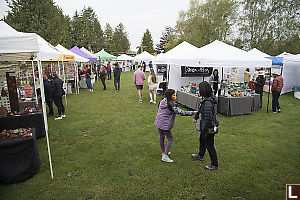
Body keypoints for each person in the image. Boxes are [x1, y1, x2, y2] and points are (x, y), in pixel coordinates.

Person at [155, 89, 197, 163]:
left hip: (158, 122)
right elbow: (182, 112)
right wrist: (193, 112)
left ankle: (163, 152)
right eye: (174, 95)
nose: (175, 96)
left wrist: (175, 104)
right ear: (170, 96)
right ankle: (165, 156)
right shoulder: (170, 105)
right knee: (170, 138)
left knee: (162, 137)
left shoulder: (163, 101)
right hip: (165, 124)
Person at [192, 81, 219, 170]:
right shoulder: (207, 99)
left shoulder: (207, 102)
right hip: (206, 125)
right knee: (202, 140)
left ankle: (214, 164)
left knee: (210, 145)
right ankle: (201, 155)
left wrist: (203, 129)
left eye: (199, 89)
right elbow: (201, 110)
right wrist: (196, 117)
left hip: (209, 127)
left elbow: (207, 118)